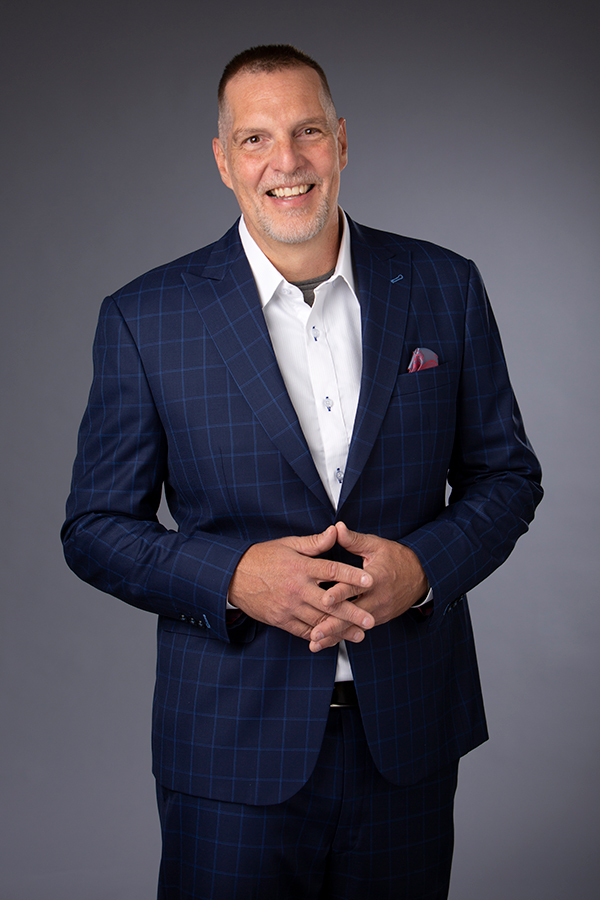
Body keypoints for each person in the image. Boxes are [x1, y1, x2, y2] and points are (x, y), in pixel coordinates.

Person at [62, 44, 542, 899]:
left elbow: (506, 476)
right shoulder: (145, 317)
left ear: (342, 141)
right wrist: (234, 578)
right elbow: (95, 528)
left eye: (307, 131)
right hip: (228, 749)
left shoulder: (445, 286)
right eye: (255, 139)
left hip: (408, 739)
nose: (286, 161)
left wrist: (422, 570)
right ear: (224, 160)